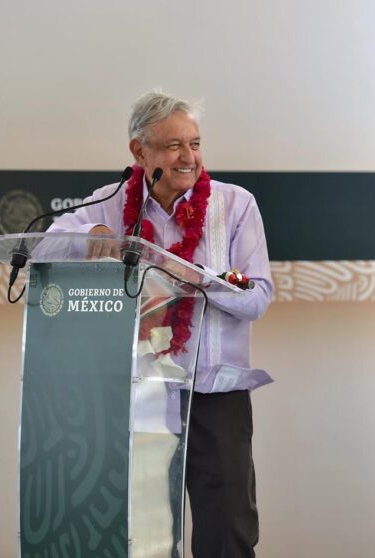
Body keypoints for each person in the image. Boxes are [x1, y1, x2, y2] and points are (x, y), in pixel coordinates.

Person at [48, 90, 273, 557]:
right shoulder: (111, 204)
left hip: (216, 392)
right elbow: (49, 241)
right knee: (141, 529)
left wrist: (196, 279)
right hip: (140, 392)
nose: (188, 157)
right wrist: (92, 233)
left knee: (226, 531)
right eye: (173, 146)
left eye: (195, 143)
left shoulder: (235, 205)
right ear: (139, 152)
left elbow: (258, 299)